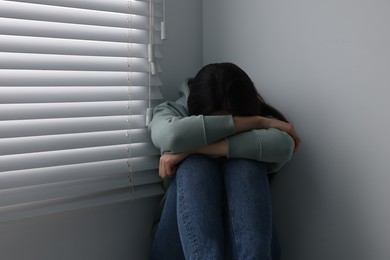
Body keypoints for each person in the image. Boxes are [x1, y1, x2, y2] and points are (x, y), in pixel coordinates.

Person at [148, 62, 301, 260]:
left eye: (233, 121)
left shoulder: (263, 120)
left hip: (248, 249)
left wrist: (190, 149)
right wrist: (258, 122)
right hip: (180, 250)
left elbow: (283, 146)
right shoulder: (172, 112)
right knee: (196, 165)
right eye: (216, 124)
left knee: (245, 164)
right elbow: (172, 136)